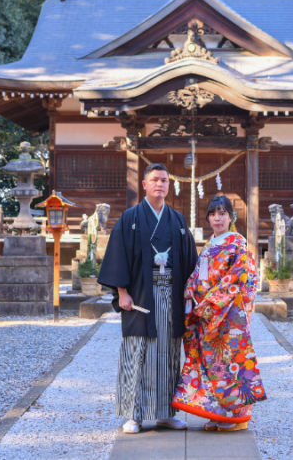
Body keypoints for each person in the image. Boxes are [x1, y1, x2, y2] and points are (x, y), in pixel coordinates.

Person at [98, 163, 198, 434]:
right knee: (137, 353)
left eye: (164, 180)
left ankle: (166, 413)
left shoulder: (177, 219)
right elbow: (117, 255)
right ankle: (135, 415)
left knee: (167, 355)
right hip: (140, 296)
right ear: (144, 184)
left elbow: (190, 259)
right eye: (154, 180)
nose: (160, 184)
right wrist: (121, 292)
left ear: (168, 185)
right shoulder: (130, 217)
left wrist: (191, 288)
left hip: (170, 296)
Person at [172, 195, 266, 431]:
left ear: (231, 217)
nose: (217, 218)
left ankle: (238, 416)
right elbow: (197, 274)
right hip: (207, 314)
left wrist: (210, 301)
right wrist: (189, 289)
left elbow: (238, 277)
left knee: (230, 363)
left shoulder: (238, 243)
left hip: (227, 314)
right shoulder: (210, 245)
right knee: (211, 365)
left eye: (222, 213)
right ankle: (219, 413)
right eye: (213, 214)